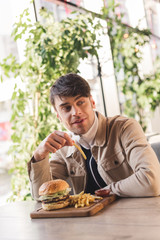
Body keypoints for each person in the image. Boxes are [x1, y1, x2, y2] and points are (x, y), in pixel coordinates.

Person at [28, 73, 160, 200]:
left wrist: (110, 190)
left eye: (80, 102)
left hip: (135, 217)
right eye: (66, 108)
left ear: (92, 102)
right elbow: (42, 196)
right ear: (58, 116)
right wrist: (39, 154)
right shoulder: (63, 148)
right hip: (91, 221)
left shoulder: (124, 128)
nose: (76, 112)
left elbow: (152, 180)